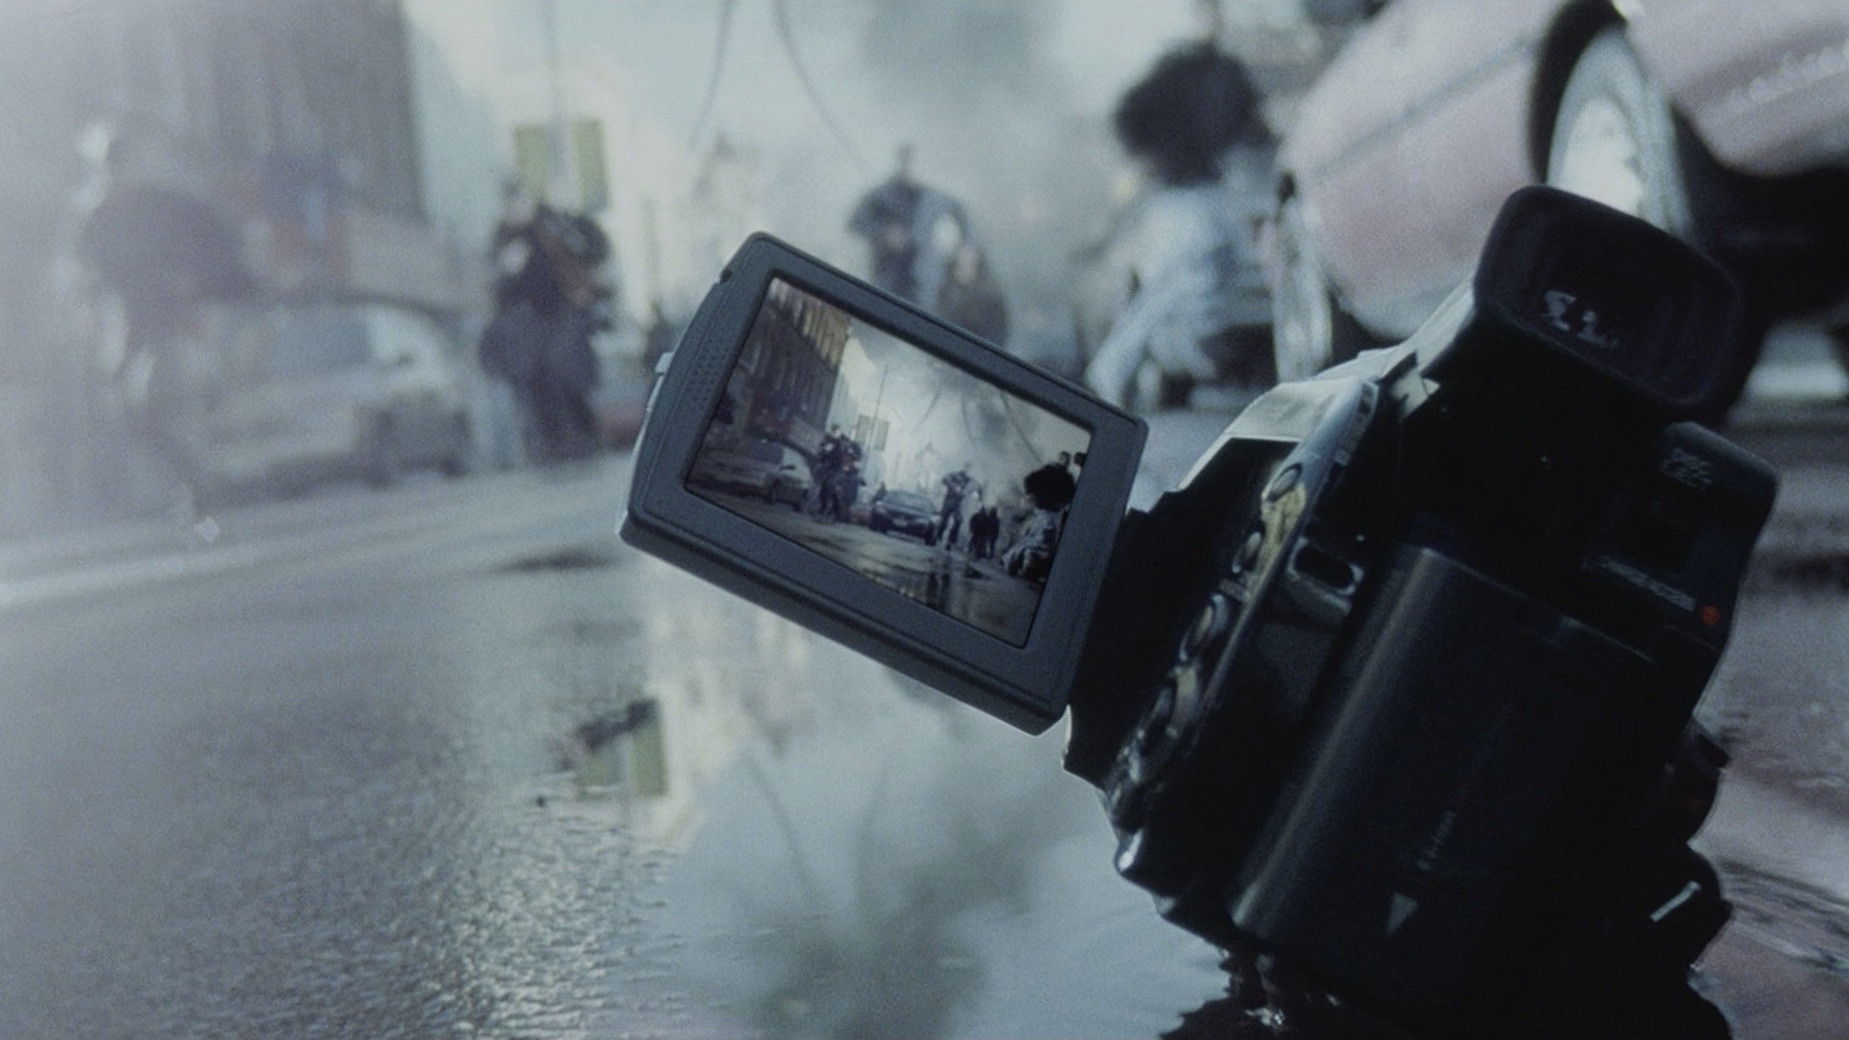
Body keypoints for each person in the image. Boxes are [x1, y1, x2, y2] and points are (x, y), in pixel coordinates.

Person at [1084, 43, 1277, 410]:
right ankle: (1110, 371)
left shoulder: (1184, 195)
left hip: (1195, 212)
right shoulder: (1208, 182)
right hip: (1196, 213)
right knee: (1170, 292)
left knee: (1164, 295)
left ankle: (1110, 372)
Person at [848, 144, 968, 308]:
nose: (911, 169)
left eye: (917, 163)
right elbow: (855, 222)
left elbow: (963, 215)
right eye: (907, 163)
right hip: (889, 275)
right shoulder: (882, 194)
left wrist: (966, 248)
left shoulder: (937, 198)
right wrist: (884, 233)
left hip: (926, 277)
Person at [934, 464, 975, 549]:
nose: (967, 470)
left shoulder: (969, 480)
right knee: (944, 519)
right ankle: (938, 536)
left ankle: (950, 541)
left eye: (969, 468)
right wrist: (954, 487)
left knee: (958, 521)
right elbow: (944, 479)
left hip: (958, 504)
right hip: (949, 500)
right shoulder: (954, 475)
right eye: (966, 467)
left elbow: (974, 488)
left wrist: (967, 492)